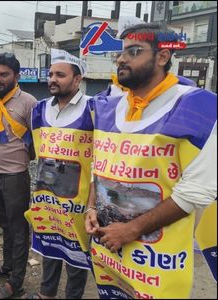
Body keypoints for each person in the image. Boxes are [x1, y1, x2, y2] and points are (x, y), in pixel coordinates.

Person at [85, 23, 216, 298]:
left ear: (163, 56)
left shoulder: (200, 107)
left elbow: (194, 192)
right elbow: (99, 168)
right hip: (109, 253)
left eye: (134, 51)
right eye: (119, 54)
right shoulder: (108, 106)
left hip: (155, 262)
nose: (121, 59)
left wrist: (131, 229)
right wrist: (90, 209)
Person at [25, 49, 92, 299]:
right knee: (50, 247)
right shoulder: (40, 110)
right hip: (47, 197)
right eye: (51, 74)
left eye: (60, 75)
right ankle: (46, 294)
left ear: (77, 79)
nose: (53, 79)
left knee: (77, 254)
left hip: (78, 200)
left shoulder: (93, 108)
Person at [0, 52, 37, 299]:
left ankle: (16, 283)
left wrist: (23, 157)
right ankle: (7, 267)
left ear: (16, 76)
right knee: (5, 225)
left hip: (15, 177)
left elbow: (39, 139)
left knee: (18, 230)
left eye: (4, 74)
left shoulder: (29, 102)